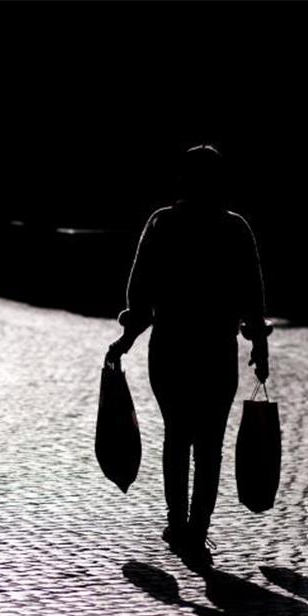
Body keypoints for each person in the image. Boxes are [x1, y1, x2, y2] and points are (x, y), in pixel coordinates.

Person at [107, 145, 271, 568]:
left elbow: (140, 290)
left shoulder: (163, 224)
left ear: (184, 179)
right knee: (210, 444)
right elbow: (252, 296)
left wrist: (127, 339)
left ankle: (177, 523)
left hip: (172, 347)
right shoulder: (235, 229)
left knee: (177, 437)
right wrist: (259, 344)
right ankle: (198, 527)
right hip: (215, 348)